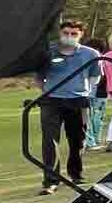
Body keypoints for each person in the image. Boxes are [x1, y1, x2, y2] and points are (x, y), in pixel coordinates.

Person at [35, 19, 98, 194]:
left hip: (78, 101)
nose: (69, 36)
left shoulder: (91, 54)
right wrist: (47, 91)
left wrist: (84, 91)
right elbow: (39, 78)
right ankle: (51, 180)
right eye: (66, 33)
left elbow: (95, 77)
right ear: (60, 33)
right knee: (50, 140)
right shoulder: (48, 52)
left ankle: (75, 174)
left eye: (74, 34)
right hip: (51, 101)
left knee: (78, 139)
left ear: (81, 35)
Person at [81, 34, 108, 148]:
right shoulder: (104, 60)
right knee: (96, 117)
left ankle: (92, 140)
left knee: (92, 117)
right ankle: (93, 140)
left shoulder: (84, 59)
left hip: (93, 92)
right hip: (99, 92)